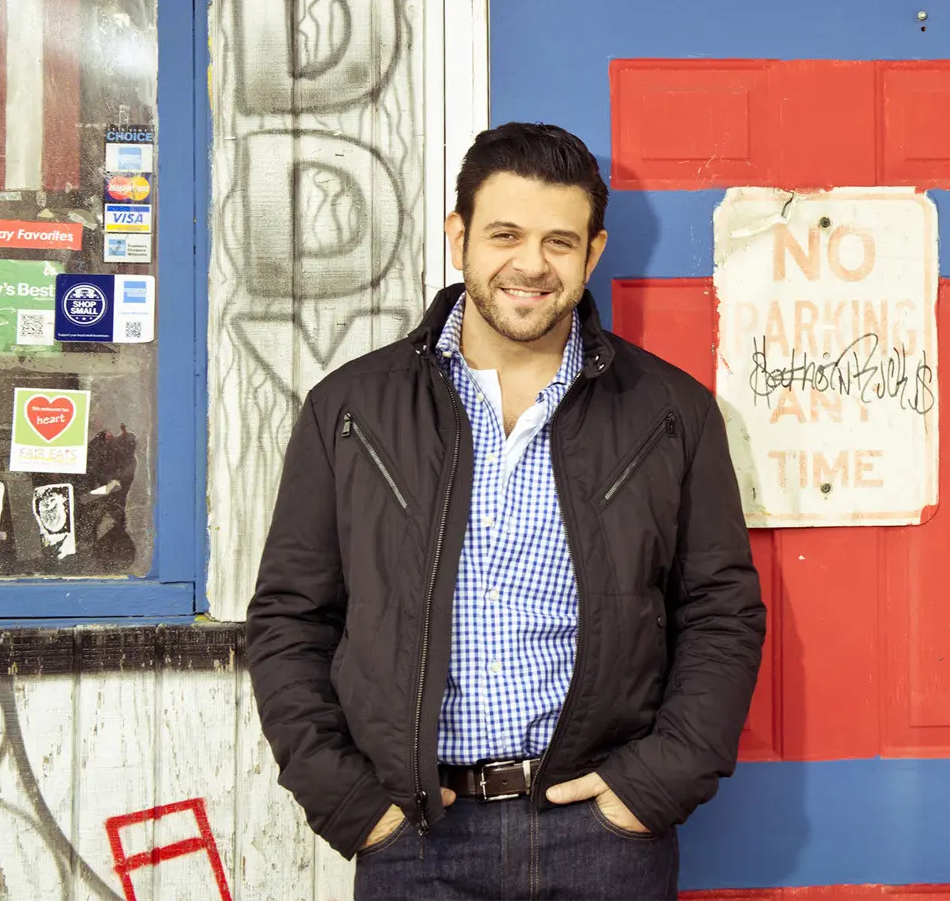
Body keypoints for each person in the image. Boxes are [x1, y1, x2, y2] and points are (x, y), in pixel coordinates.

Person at [246, 122, 766, 900]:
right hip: (416, 838)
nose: (531, 264)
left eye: (560, 242)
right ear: (459, 238)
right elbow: (290, 618)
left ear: (592, 253)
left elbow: (720, 613)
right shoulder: (352, 409)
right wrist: (355, 806)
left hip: (607, 840)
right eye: (505, 234)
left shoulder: (673, 415)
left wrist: (652, 789)